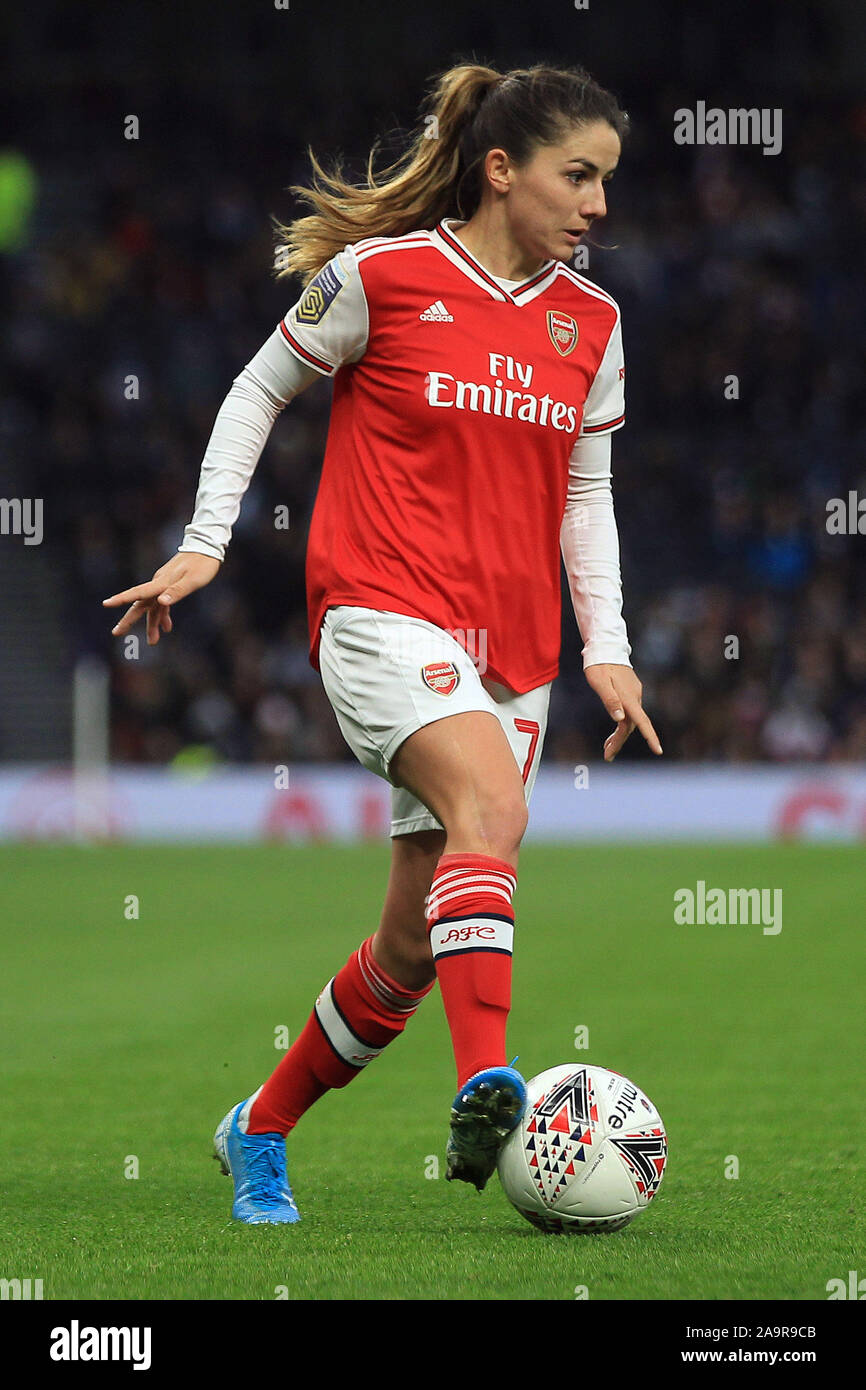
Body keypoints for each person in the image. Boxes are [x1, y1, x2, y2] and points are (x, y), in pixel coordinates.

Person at [103, 61, 662, 1225]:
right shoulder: (381, 278)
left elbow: (586, 491)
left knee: (409, 947)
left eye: (605, 181)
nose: (598, 205)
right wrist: (206, 538)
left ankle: (257, 1124)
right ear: (501, 170)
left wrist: (604, 643)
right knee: (492, 818)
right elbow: (257, 391)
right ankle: (485, 1090)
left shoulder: (592, 320)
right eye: (579, 176)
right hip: (378, 608)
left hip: (517, 648)